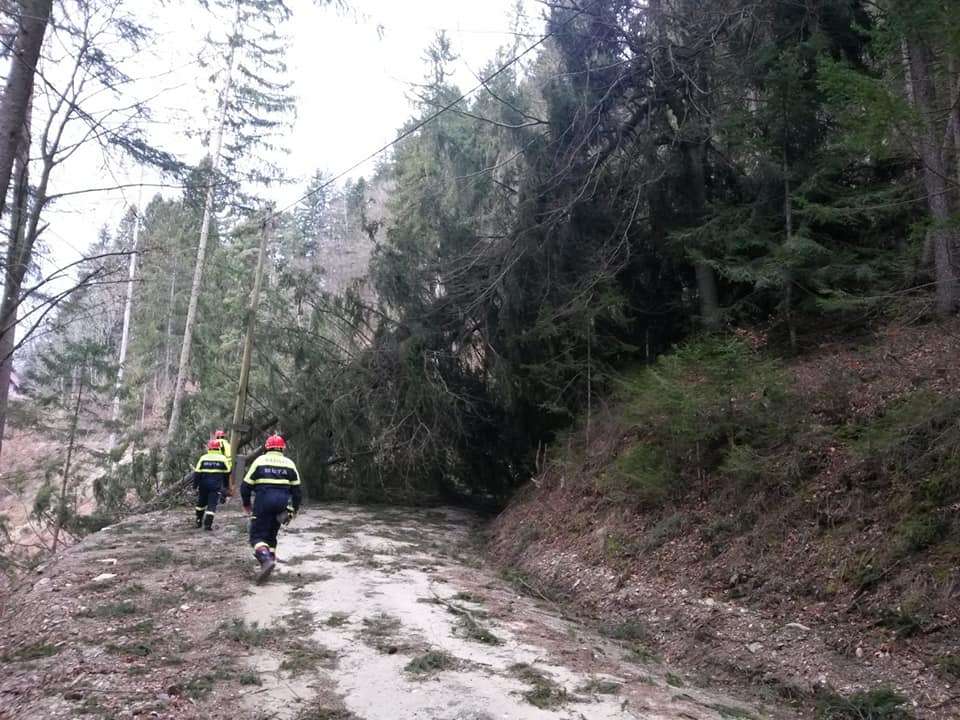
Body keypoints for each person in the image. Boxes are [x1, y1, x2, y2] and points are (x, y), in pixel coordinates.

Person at [241, 434, 302, 582]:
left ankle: (265, 559)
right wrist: (294, 509)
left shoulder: (260, 461)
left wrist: (247, 505)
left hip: (263, 502)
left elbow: (245, 487)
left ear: (267, 448)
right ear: (282, 448)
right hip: (282, 504)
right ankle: (270, 560)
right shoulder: (289, 463)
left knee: (256, 536)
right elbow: (297, 490)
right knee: (271, 535)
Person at [192, 439, 231, 531]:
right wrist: (225, 486)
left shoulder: (203, 458)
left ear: (209, 448)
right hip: (215, 486)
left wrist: (194, 486)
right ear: (219, 448)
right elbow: (227, 473)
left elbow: (197, 474)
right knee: (212, 505)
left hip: (203, 485)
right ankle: (208, 524)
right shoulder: (223, 459)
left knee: (200, 504)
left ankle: (198, 520)